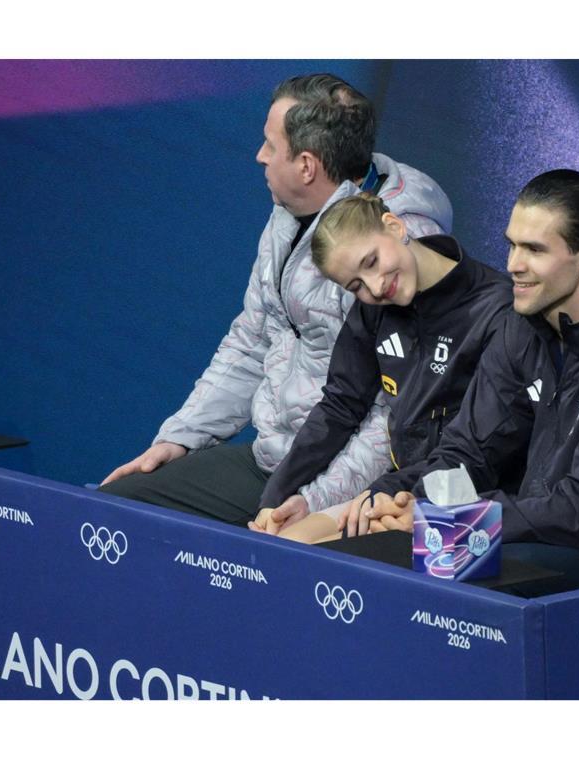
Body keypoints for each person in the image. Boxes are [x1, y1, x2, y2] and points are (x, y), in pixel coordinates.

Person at [99, 73, 452, 525]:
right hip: (279, 461)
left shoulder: (394, 251)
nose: (259, 156)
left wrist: (312, 503)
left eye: (270, 145)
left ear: (306, 166)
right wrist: (182, 437)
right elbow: (253, 340)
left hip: (360, 488)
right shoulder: (287, 215)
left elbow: (395, 414)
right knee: (122, 505)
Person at [334, 169, 579, 596]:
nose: (512, 265)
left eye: (534, 250)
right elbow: (469, 449)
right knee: (375, 549)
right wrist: (396, 494)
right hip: (530, 526)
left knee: (439, 564)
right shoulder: (520, 327)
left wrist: (457, 517)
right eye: (512, 244)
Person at [245, 192, 512, 541]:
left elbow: (477, 451)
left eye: (371, 261)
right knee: (279, 538)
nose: (374, 286)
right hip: (397, 491)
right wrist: (277, 497)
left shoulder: (497, 310)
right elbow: (340, 406)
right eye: (355, 286)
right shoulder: (374, 308)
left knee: (300, 547)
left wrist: (381, 494)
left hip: (467, 500)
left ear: (395, 226)